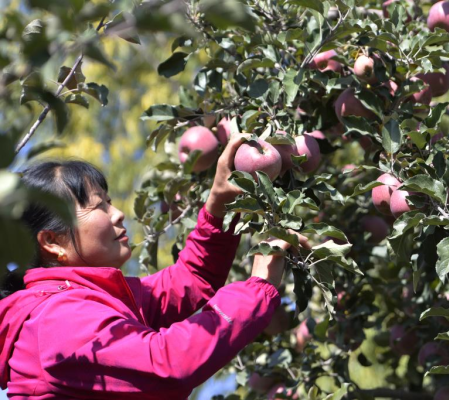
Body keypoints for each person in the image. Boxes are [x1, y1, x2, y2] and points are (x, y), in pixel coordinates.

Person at [0, 134, 309, 399]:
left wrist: (219, 205)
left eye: (110, 201)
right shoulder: (54, 321)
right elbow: (169, 365)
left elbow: (190, 280)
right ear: (52, 242)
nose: (118, 213)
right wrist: (257, 287)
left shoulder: (96, 301)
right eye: (99, 206)